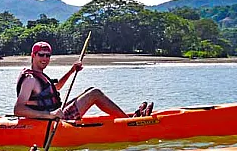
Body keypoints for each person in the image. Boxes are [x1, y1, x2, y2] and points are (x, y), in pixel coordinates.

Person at [14, 41, 153, 120]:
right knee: (95, 94)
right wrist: (49, 115)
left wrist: (72, 70)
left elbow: (54, 89)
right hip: (53, 120)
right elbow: (18, 109)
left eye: (48, 55)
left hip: (55, 114)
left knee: (89, 90)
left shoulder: (40, 75)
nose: (45, 58)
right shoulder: (30, 79)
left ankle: (126, 117)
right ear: (33, 55)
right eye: (41, 55)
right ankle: (129, 122)